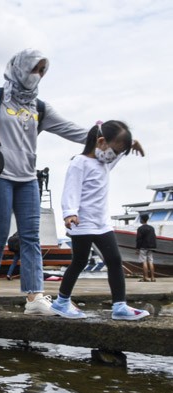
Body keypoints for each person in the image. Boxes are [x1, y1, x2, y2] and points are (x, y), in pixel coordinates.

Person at [0, 49, 91, 316]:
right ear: (20, 67)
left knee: (31, 238)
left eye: (42, 71)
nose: (38, 75)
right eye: (35, 68)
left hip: (28, 179)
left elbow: (72, 130)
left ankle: (34, 296)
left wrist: (110, 135)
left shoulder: (39, 107)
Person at [51, 120, 149, 321]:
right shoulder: (80, 163)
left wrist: (131, 145)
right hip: (82, 223)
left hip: (102, 223)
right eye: (115, 151)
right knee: (79, 262)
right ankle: (61, 301)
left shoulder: (104, 162)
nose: (114, 156)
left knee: (114, 260)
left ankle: (119, 306)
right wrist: (69, 212)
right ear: (101, 142)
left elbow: (116, 154)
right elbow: (71, 189)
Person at [136, 214, 157, 282]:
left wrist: (137, 249)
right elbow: (154, 237)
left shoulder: (140, 228)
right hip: (151, 247)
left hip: (143, 247)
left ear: (142, 220)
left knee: (144, 262)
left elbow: (139, 239)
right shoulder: (151, 228)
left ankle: (146, 277)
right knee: (151, 261)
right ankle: (153, 277)